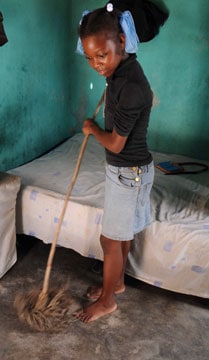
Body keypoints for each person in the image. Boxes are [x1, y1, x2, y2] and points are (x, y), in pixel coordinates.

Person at [75, 2, 155, 323]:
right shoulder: (122, 71)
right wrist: (109, 75)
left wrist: (92, 128)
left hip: (127, 172)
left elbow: (116, 143)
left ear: (121, 41)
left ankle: (108, 300)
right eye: (90, 57)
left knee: (109, 240)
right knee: (120, 236)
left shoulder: (130, 86)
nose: (96, 64)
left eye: (102, 55)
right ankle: (117, 282)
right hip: (129, 172)